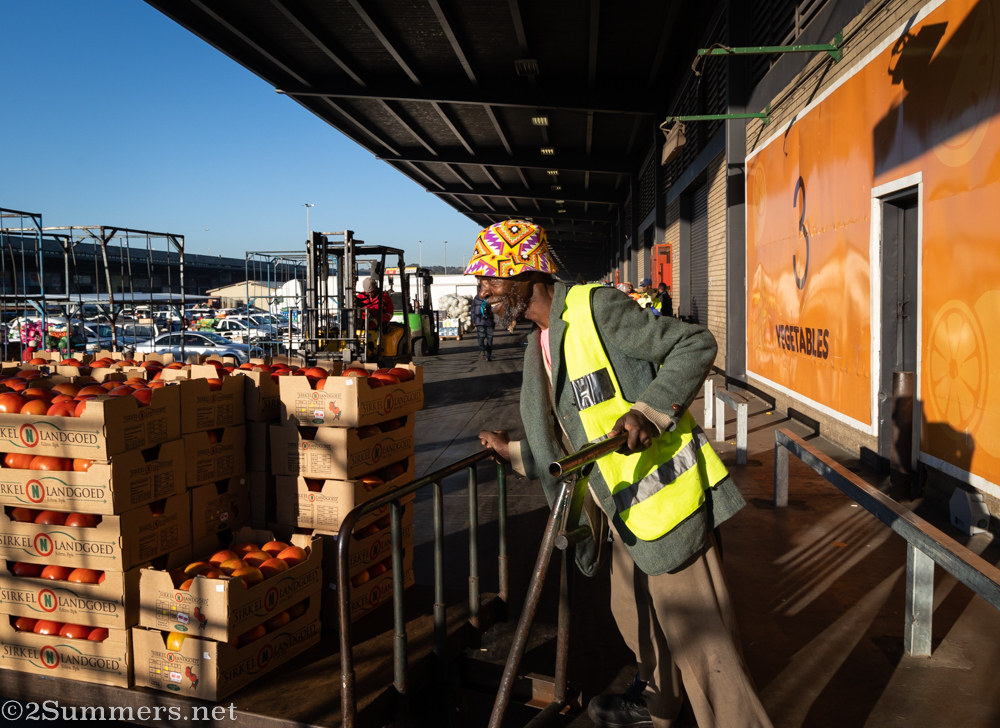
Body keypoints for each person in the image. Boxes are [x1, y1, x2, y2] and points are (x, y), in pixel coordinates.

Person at [467, 219, 771, 728]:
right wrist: (516, 452)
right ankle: (657, 703)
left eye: (489, 279)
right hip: (620, 509)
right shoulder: (539, 345)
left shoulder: (595, 308)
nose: (483, 293)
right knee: (638, 621)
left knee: (705, 648)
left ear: (524, 273)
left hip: (668, 504)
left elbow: (695, 344)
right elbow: (570, 430)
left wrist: (649, 410)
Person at [471, 292, 495, 361]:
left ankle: (482, 349)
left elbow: (472, 310)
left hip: (479, 321)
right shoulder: (491, 298)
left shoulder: (476, 298)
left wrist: (473, 321)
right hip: (489, 321)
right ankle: (488, 356)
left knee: (480, 337)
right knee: (489, 338)